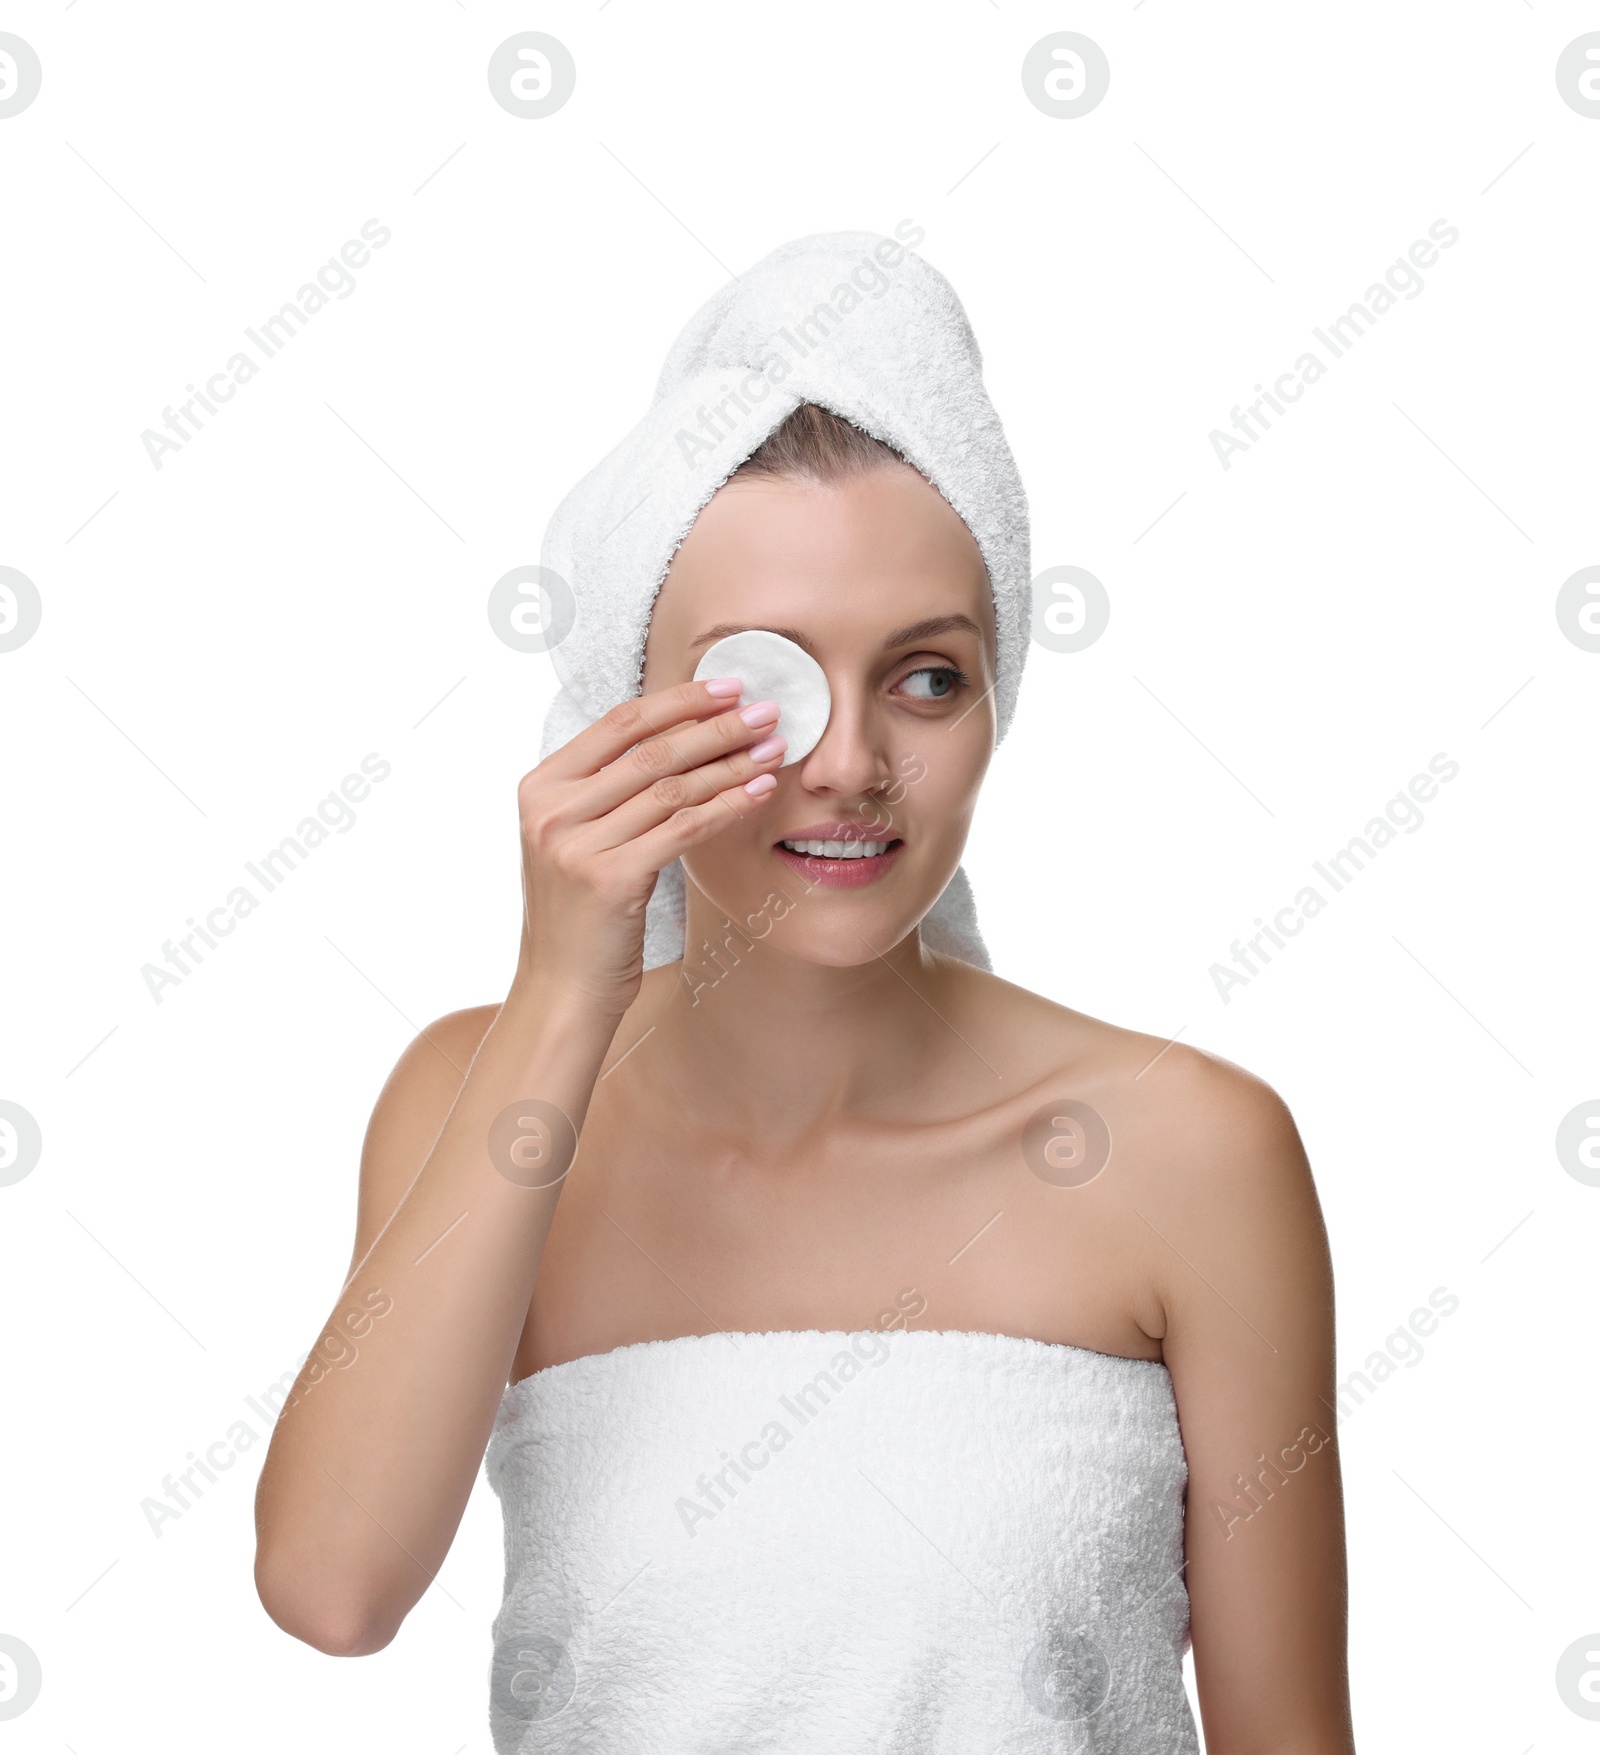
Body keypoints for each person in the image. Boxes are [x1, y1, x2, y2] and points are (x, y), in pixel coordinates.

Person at [253, 237, 1355, 1755]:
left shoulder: (1191, 1152)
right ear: (620, 703)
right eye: (761, 682)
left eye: (925, 677)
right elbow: (332, 1587)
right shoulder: (479, 1096)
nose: (849, 762)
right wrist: (568, 984)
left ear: (996, 699)